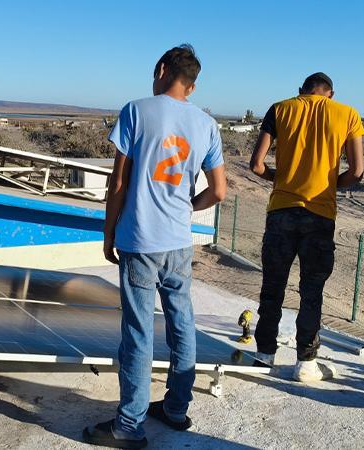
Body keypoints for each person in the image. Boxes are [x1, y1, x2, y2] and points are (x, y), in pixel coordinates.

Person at [83, 44, 227, 449]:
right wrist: (187, 207)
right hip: (179, 243)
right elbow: (218, 191)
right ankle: (176, 408)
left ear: (161, 69)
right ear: (192, 86)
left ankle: (129, 425)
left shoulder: (136, 111)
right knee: (182, 324)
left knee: (138, 331)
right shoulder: (207, 125)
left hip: (140, 239)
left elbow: (118, 182)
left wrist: (108, 232)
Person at [247, 72, 364, 382]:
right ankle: (306, 363)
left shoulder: (280, 109)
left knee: (272, 287)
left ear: (301, 90)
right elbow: (357, 171)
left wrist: (280, 179)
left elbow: (256, 165)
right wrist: (329, 185)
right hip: (320, 214)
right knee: (311, 292)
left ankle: (264, 355)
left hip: (281, 212)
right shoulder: (348, 114)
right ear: (331, 94)